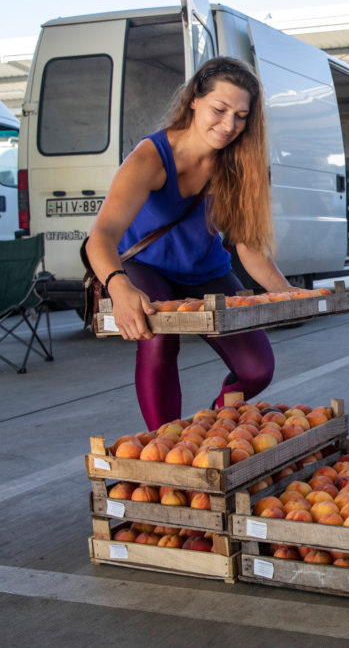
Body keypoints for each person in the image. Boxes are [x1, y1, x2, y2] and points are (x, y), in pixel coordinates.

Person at [85, 57, 298, 430]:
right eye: (220, 109)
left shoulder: (238, 164)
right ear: (194, 100)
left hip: (205, 271)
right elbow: (100, 237)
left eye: (241, 116)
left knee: (256, 368)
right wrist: (118, 287)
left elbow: (248, 247)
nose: (229, 125)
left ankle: (212, 426)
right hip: (145, 266)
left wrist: (290, 295)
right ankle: (166, 443)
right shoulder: (151, 158)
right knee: (158, 342)